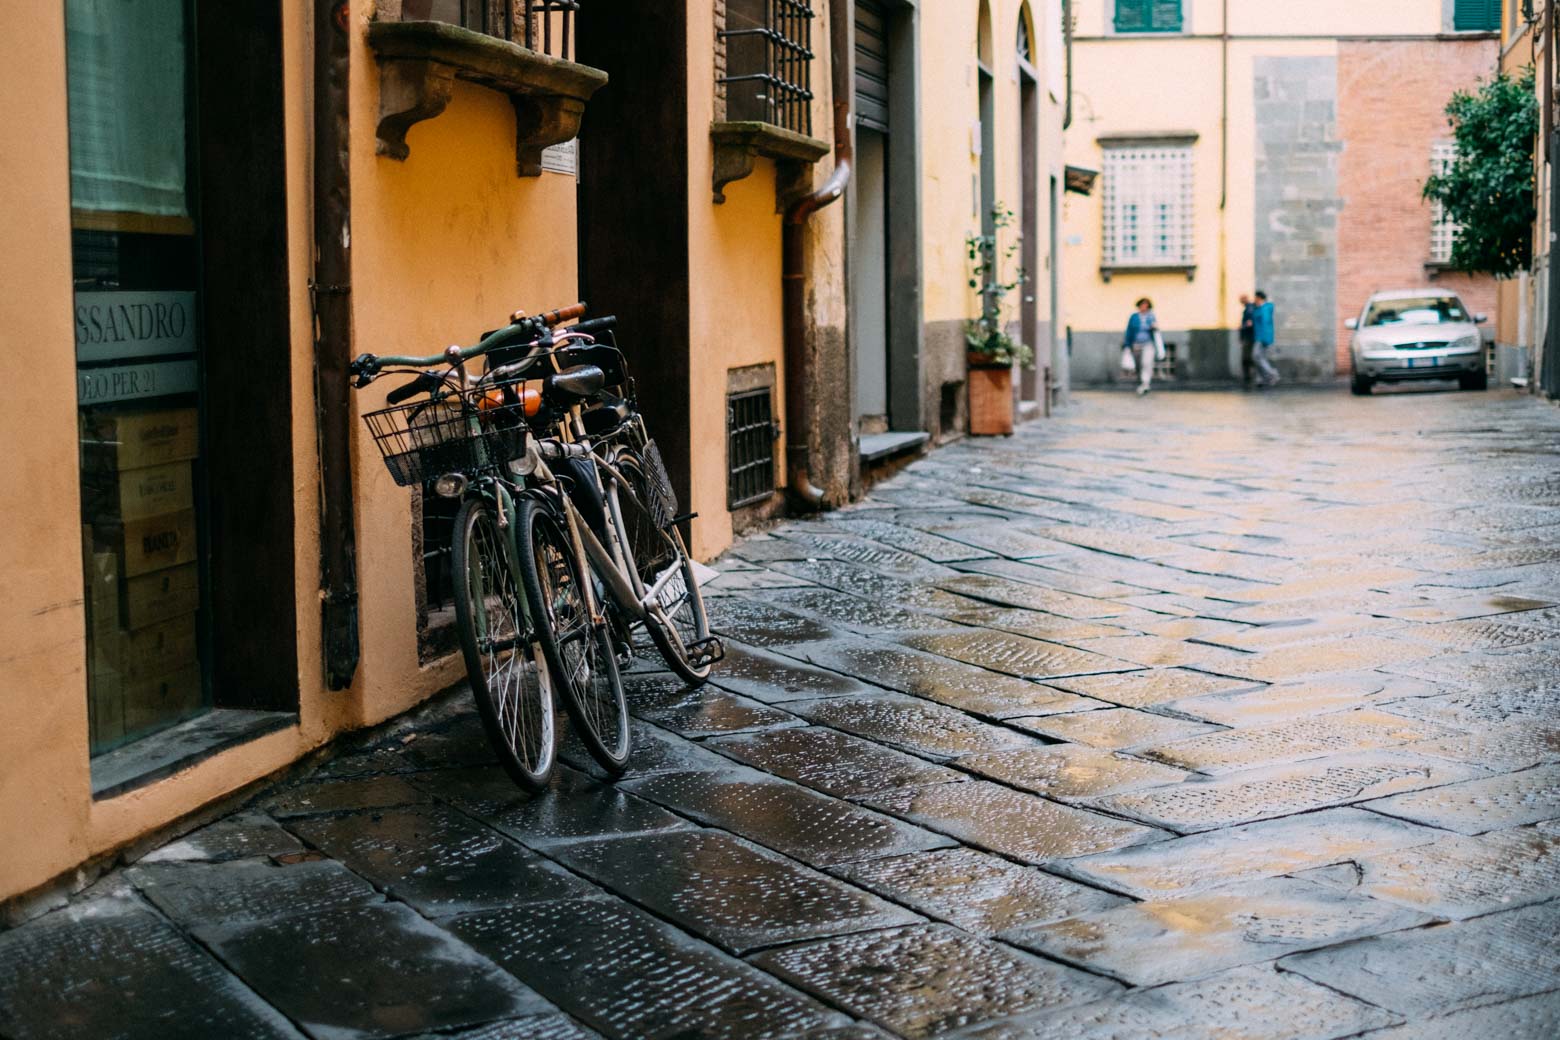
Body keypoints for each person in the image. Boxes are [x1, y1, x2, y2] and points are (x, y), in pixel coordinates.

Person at [1122, 297, 1160, 396]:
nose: (1144, 307)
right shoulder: (1134, 317)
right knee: (1138, 365)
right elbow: (1129, 331)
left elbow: (1156, 331)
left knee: (1146, 363)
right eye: (1142, 305)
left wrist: (1154, 327)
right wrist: (1127, 344)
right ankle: (1141, 382)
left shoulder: (1151, 317)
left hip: (1148, 344)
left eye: (1146, 305)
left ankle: (1145, 384)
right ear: (1139, 306)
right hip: (1136, 344)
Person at [1252, 290, 1279, 387]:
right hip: (1260, 336)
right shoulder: (1260, 308)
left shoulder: (1264, 309)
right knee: (1259, 358)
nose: (1254, 300)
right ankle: (1262, 378)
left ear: (1259, 298)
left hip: (1262, 337)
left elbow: (1265, 324)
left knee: (1256, 356)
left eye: (1255, 298)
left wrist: (1265, 339)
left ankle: (1272, 374)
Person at [1238, 293, 1257, 388]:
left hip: (1249, 337)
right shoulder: (1249, 308)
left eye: (1241, 299)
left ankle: (1249, 377)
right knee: (1247, 358)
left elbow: (1250, 323)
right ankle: (1249, 377)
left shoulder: (1249, 309)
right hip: (1249, 337)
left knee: (1247, 358)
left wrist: (1242, 327)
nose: (1240, 301)